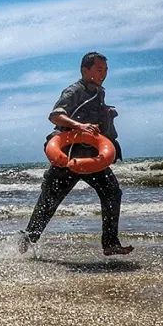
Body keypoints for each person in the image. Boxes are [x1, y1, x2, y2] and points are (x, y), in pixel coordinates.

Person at [19, 52, 132, 256]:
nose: (104, 74)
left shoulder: (99, 92)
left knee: (113, 192)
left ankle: (110, 243)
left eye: (106, 70)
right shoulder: (74, 91)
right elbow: (55, 115)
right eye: (99, 69)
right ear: (85, 70)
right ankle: (26, 241)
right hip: (68, 159)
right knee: (48, 204)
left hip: (92, 160)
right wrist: (79, 125)